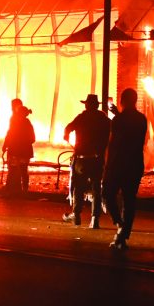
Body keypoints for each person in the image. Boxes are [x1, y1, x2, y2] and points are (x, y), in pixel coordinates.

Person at [103, 88, 149, 249]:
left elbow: (115, 143)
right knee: (129, 200)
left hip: (118, 164)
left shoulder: (118, 120)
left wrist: (107, 166)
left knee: (108, 194)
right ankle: (123, 234)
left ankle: (120, 225)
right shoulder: (142, 119)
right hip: (135, 164)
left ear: (122, 100)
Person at [62, 93, 111, 228]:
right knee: (96, 188)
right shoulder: (104, 119)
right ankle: (95, 219)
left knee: (78, 187)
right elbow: (112, 132)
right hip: (97, 159)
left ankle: (76, 215)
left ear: (87, 105)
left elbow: (67, 129)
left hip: (81, 160)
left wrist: (66, 137)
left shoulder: (82, 117)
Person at [1, 99, 35, 195]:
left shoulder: (17, 122)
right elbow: (32, 139)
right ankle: (20, 189)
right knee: (19, 170)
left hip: (17, 151)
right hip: (20, 151)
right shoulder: (20, 122)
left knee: (16, 170)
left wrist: (7, 145)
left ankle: (16, 189)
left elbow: (10, 135)